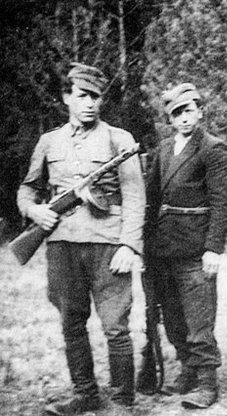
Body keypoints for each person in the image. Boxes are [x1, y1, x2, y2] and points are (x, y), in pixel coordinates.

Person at [17, 63, 145, 415]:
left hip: (107, 243)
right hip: (62, 243)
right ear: (66, 97)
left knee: (115, 325)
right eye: (82, 95)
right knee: (71, 321)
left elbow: (135, 197)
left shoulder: (120, 140)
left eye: (95, 97)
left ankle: (122, 401)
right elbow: (28, 188)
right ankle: (85, 393)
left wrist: (129, 245)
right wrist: (34, 211)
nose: (89, 103)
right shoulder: (49, 141)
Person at [143, 83, 227, 408]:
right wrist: (143, 246)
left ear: (199, 112)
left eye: (189, 111)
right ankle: (188, 369)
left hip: (196, 248)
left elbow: (223, 202)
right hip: (163, 248)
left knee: (199, 318)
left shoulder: (213, 148)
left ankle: (207, 383)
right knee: (172, 317)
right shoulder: (164, 149)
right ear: (170, 119)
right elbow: (152, 198)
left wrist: (213, 248)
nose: (184, 118)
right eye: (177, 113)